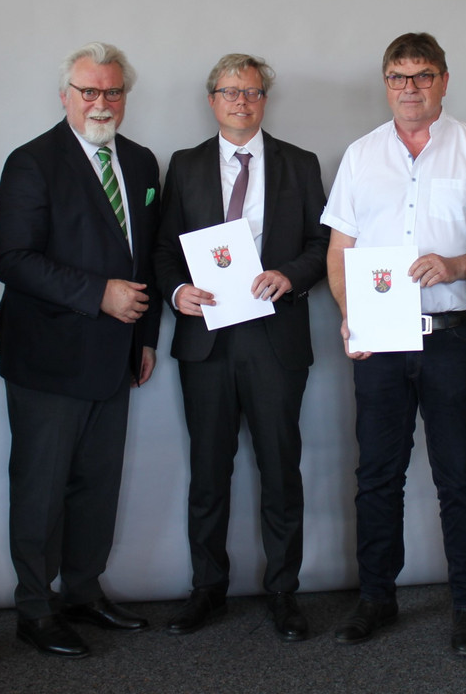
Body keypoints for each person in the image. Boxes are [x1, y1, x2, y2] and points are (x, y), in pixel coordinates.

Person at [322, 32, 466, 654]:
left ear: (444, 81)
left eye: (422, 76)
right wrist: (350, 316)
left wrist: (455, 266)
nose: (410, 88)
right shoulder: (361, 154)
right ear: (386, 82)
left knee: (458, 475)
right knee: (377, 473)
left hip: (452, 336)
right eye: (399, 77)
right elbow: (339, 252)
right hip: (378, 340)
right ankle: (376, 598)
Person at [0, 42, 161, 659]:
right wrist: (98, 296)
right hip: (48, 359)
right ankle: (35, 609)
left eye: (111, 91)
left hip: (116, 357)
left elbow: (148, 261)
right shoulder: (31, 162)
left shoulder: (141, 164)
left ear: (125, 97)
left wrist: (144, 338)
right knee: (40, 489)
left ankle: (83, 592)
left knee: (97, 486)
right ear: (65, 95)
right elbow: (12, 259)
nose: (100, 102)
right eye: (88, 91)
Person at [154, 54, 329, 641]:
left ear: (264, 99)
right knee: (208, 471)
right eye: (229, 91)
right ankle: (208, 590)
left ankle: (283, 591)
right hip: (206, 339)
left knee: (281, 471)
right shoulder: (183, 166)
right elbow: (161, 250)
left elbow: (321, 243)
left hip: (275, 338)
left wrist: (292, 275)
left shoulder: (300, 165)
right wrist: (177, 290)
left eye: (252, 91)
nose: (241, 101)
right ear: (213, 100)